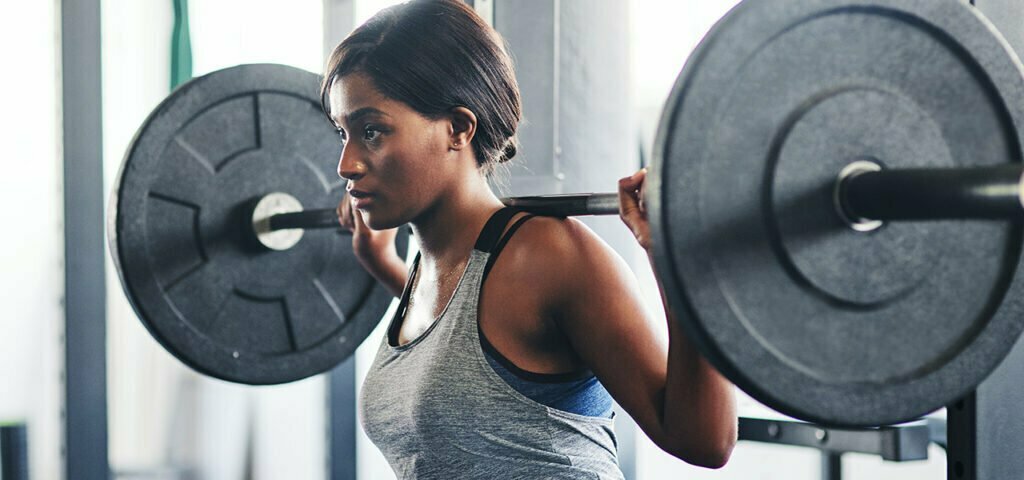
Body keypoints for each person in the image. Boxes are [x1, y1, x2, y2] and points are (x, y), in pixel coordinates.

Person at [324, 0, 736, 477]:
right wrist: (383, 266)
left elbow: (704, 440)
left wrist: (684, 260)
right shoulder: (431, 267)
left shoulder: (547, 256)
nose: (346, 164)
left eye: (372, 131)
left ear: (458, 128)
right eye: (343, 132)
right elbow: (468, 351)